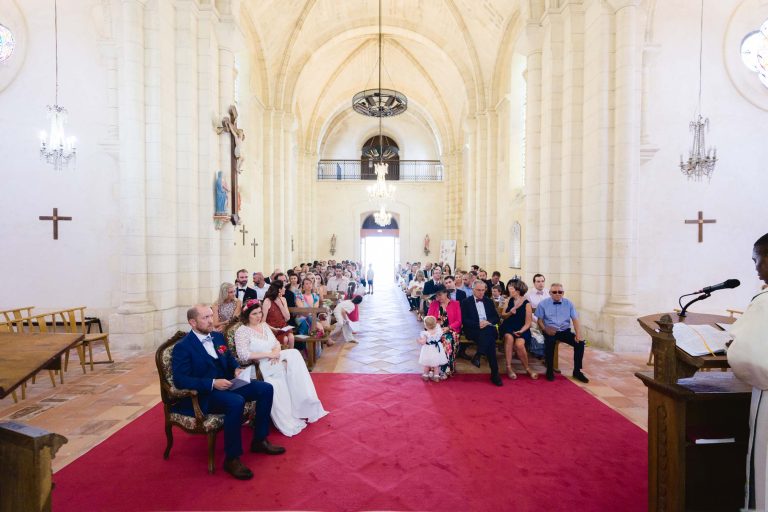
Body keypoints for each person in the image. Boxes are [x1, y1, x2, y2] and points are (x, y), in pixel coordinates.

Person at [171, 304, 284, 480]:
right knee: (235, 401)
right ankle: (232, 458)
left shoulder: (217, 336)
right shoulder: (183, 347)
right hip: (205, 394)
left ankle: (260, 440)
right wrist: (212, 383)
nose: (211, 321)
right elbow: (180, 379)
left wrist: (236, 369)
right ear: (192, 322)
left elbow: (229, 358)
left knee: (265, 389)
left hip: (229, 383)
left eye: (211, 316)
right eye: (205, 318)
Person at [234, 300, 328, 437]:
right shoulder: (242, 331)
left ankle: (305, 401)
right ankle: (291, 407)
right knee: (284, 367)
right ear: (246, 314)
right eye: (254, 314)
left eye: (260, 312)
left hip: (274, 357)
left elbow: (276, 343)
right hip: (258, 365)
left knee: (294, 354)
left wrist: (276, 353)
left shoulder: (264, 325)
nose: (258, 316)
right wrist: (269, 355)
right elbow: (243, 355)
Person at [726, 233, 768, 511]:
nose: (756, 267)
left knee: (764, 472)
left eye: (758, 259)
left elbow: (753, 359)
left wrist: (733, 346)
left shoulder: (765, 302)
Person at [535, 283, 589, 383]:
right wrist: (545, 329)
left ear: (563, 293)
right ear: (550, 293)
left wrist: (578, 334)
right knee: (549, 343)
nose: (557, 294)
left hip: (564, 331)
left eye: (560, 292)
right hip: (550, 331)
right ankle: (549, 370)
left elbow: (575, 319)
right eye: (554, 292)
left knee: (580, 343)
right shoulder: (543, 304)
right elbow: (539, 320)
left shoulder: (569, 304)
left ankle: (577, 371)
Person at [460, 281, 503, 386]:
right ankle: (495, 374)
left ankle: (479, 355)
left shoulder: (489, 301)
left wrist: (487, 322)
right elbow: (464, 320)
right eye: (478, 290)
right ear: (473, 290)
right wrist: (478, 324)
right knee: (490, 341)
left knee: (488, 334)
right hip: (474, 329)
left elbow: (496, 318)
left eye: (483, 290)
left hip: (487, 327)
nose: (481, 292)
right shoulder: (466, 302)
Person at [500, 280, 538, 380]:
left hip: (522, 328)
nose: (509, 289)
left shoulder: (527, 303)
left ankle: (527, 368)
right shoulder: (509, 300)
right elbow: (503, 316)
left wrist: (521, 331)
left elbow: (528, 323)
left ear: (517, 290)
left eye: (511, 288)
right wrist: (510, 313)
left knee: (519, 344)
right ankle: (509, 367)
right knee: (509, 338)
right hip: (508, 326)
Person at [427, 285, 462, 377]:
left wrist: (448, 328)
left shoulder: (455, 304)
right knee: (433, 341)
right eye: (436, 295)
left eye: (440, 295)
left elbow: (458, 321)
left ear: (446, 293)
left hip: (451, 330)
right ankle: (434, 369)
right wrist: (434, 329)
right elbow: (428, 319)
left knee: (446, 340)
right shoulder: (434, 304)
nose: (438, 298)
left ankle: (445, 369)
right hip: (436, 330)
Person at [261, 281, 295, 349]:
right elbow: (263, 322)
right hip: (271, 328)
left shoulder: (283, 299)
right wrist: (274, 329)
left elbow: (287, 318)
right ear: (279, 289)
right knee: (285, 339)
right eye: (284, 287)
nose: (285, 289)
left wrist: (280, 305)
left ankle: (290, 355)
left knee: (291, 337)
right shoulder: (267, 301)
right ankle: (280, 355)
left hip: (283, 326)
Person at [417, 316, 449, 382]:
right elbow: (439, 330)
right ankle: (436, 377)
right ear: (435, 324)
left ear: (426, 326)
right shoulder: (438, 331)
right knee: (436, 364)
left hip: (428, 350)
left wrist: (419, 341)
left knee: (426, 364)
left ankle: (425, 375)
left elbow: (423, 342)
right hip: (436, 349)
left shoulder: (426, 333)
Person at [524, 273, 548, 358]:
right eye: (538, 281)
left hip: (547, 320)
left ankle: (549, 352)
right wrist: (537, 321)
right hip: (534, 320)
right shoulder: (528, 295)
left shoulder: (549, 293)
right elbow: (528, 312)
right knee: (535, 330)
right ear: (534, 283)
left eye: (542, 281)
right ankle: (539, 351)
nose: (541, 283)